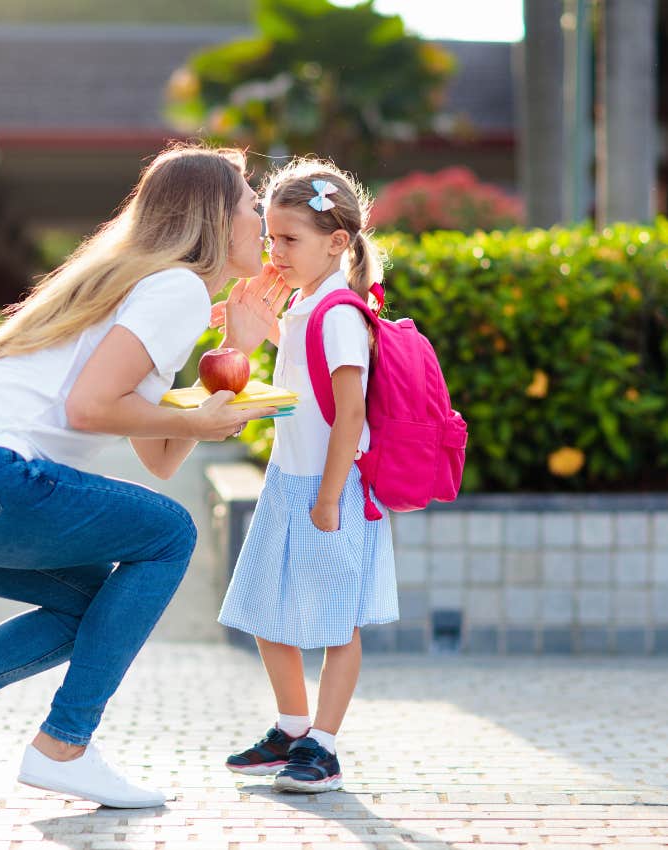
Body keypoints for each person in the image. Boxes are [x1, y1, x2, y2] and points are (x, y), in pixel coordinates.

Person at [0, 143, 286, 809]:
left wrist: (236, 351)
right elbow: (92, 409)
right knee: (170, 533)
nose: (264, 221)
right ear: (216, 220)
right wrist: (203, 423)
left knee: (89, 602)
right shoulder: (171, 289)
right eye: (255, 207)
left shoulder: (147, 285)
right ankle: (66, 746)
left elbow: (159, 456)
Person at [216, 159, 399, 793]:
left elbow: (350, 412)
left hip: (331, 488)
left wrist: (327, 498)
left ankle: (324, 745)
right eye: (270, 237)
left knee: (335, 622)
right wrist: (251, 329)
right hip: (287, 482)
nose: (275, 251)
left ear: (338, 241)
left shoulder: (340, 313)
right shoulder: (303, 305)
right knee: (267, 610)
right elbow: (296, 386)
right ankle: (292, 729)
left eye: (290, 239)